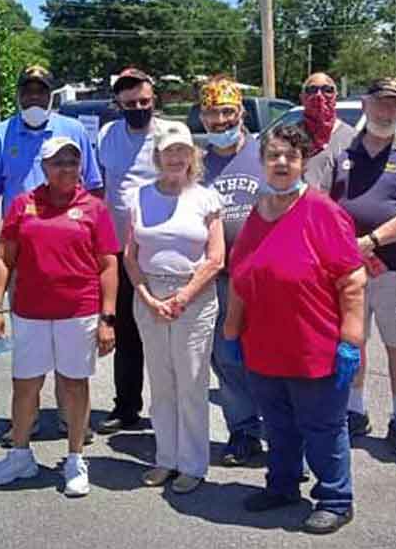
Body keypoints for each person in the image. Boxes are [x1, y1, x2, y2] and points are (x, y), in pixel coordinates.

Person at [225, 123, 367, 535]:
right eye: (273, 156)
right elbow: (240, 278)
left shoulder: (322, 211)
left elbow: (353, 281)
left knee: (322, 427)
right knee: (279, 425)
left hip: (314, 346)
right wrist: (232, 335)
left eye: (290, 155)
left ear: (303, 161)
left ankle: (336, 498)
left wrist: (350, 341)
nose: (281, 162)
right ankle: (283, 485)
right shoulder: (259, 211)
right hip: (264, 346)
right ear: (263, 162)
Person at [0, 137, 118, 497]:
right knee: (25, 385)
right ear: (43, 168)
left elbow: (107, 263)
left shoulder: (93, 207)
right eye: (58, 162)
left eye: (73, 162)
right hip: (29, 311)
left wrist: (108, 317)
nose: (66, 169)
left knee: (74, 384)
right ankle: (20, 455)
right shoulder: (23, 205)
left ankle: (74, 458)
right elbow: (4, 257)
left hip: (79, 311)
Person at [315, 78, 396, 455]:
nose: (386, 112)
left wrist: (370, 243)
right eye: (380, 103)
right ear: (365, 105)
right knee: (354, 342)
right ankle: (356, 411)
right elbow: (318, 202)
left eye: (394, 106)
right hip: (347, 268)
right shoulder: (342, 151)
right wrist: (345, 248)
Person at [0, 64, 103, 445]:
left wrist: (94, 242)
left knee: (71, 346)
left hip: (71, 251)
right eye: (28, 90)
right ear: (18, 92)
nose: (35, 97)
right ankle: (26, 422)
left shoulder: (74, 131)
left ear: (51, 94)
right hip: (23, 250)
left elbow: (95, 188)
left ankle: (71, 421)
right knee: (30, 345)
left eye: (42, 90)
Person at [124, 121, 225, 494]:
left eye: (182, 150)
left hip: (194, 300)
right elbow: (130, 255)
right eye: (169, 151)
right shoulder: (139, 196)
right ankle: (165, 458)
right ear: (158, 156)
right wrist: (147, 297)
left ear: (192, 156)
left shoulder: (206, 198)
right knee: (162, 383)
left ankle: (193, 464)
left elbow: (215, 259)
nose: (176, 158)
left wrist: (183, 298)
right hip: (149, 297)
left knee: (192, 383)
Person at [96, 67, 177, 434]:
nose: (138, 108)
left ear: (153, 99)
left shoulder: (172, 133)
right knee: (126, 333)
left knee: (166, 336)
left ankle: (171, 411)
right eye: (130, 103)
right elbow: (101, 187)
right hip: (119, 250)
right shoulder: (108, 135)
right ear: (118, 103)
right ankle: (126, 406)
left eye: (144, 101)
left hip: (163, 251)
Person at [197, 75, 268, 467]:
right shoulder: (200, 165)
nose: (220, 121)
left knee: (271, 356)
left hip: (264, 277)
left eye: (227, 111)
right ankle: (242, 431)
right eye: (211, 113)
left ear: (240, 111)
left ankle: (281, 430)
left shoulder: (266, 154)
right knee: (226, 357)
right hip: (220, 280)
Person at [300, 72, 358, 186]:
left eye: (327, 90)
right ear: (302, 98)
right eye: (312, 90)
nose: (319, 96)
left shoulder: (354, 139)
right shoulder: (289, 138)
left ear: (335, 97)